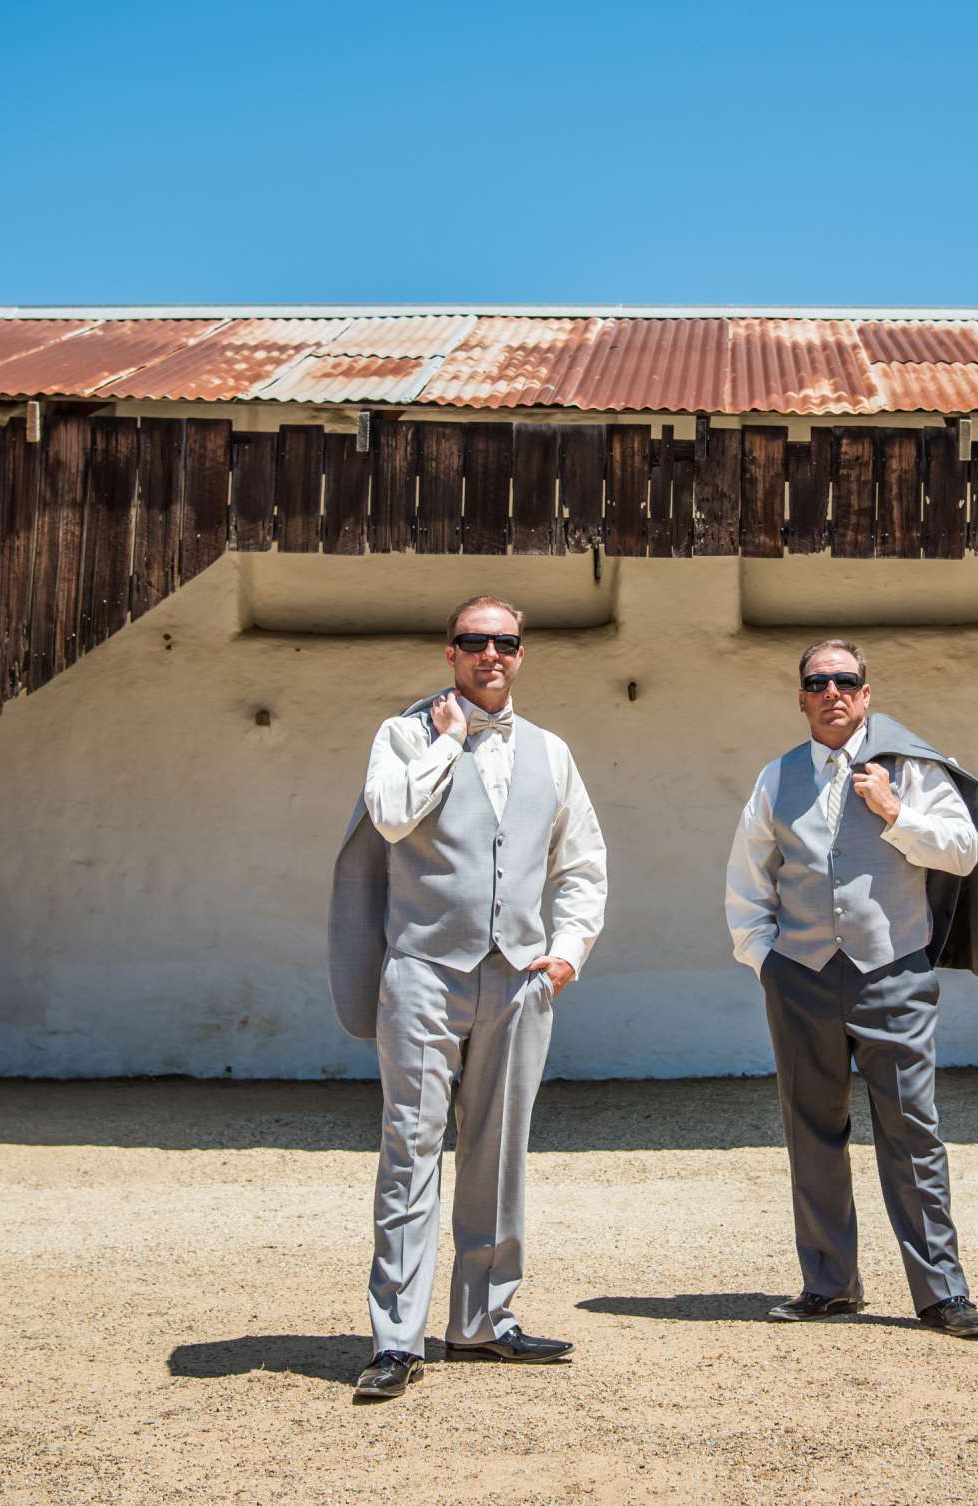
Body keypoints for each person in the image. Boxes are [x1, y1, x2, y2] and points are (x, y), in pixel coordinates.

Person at [328, 595, 607, 1400]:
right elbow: (388, 816)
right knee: (409, 1151)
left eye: (506, 642)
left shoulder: (551, 752)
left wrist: (565, 955)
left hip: (517, 976)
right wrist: (447, 740)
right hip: (422, 970)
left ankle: (485, 1321)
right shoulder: (402, 735)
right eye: (475, 641)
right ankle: (396, 1338)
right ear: (449, 652)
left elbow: (584, 863)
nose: (491, 654)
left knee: (500, 1152)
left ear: (522, 655)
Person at [723, 638, 978, 1339]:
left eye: (846, 681)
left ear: (867, 695)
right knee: (811, 1131)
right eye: (818, 683)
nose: (833, 693)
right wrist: (766, 959)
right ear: (802, 697)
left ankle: (941, 1292)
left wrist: (897, 815)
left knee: (912, 1131)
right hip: (801, 976)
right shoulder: (775, 777)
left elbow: (964, 852)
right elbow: (749, 876)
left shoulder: (911, 768)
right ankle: (829, 1283)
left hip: (892, 972)